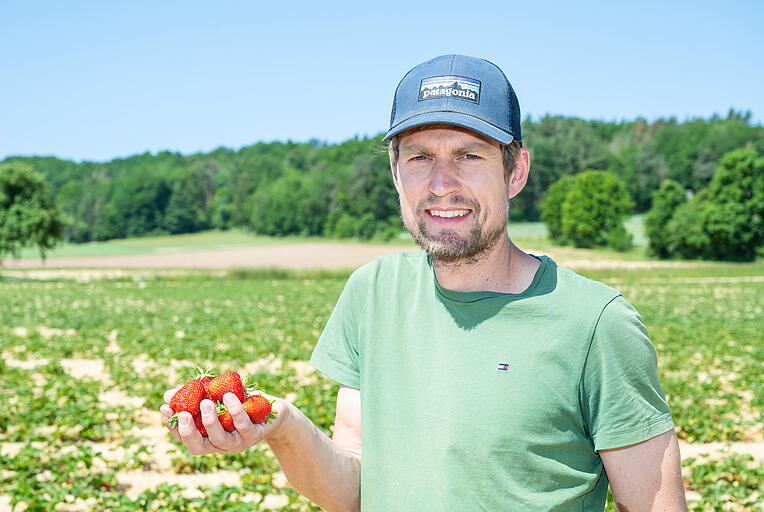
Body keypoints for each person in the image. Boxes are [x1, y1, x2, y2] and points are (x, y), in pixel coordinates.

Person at [161, 54, 688, 511]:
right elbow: (354, 493)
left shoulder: (595, 323)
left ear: (516, 171)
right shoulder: (372, 293)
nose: (441, 184)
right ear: (395, 173)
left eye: (469, 155)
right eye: (418, 157)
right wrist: (281, 426)